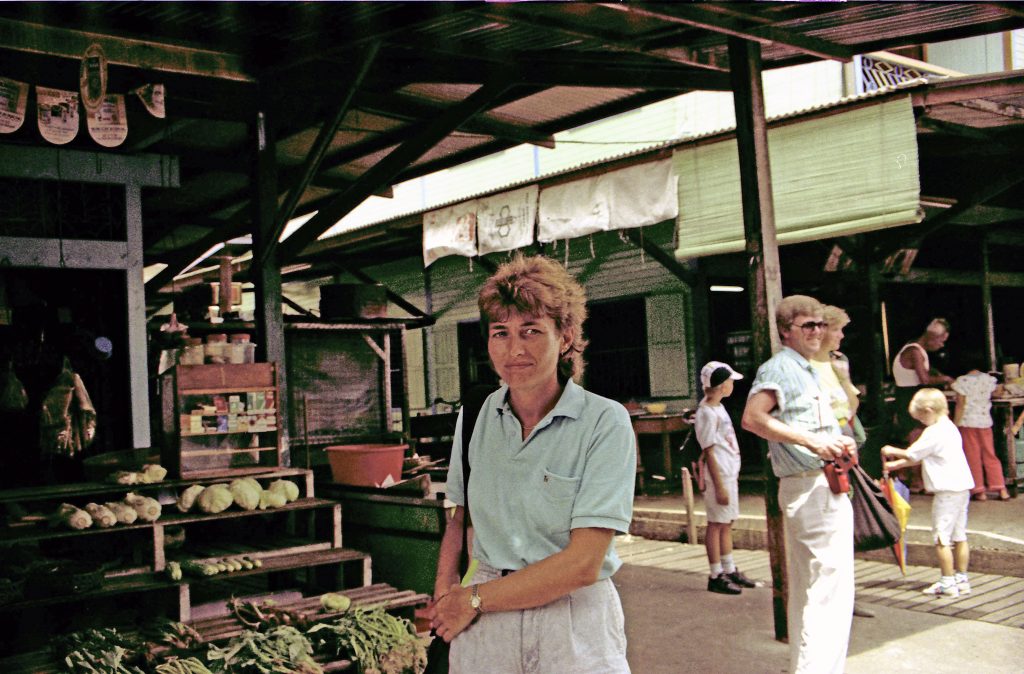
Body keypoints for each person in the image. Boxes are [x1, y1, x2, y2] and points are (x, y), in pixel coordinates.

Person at [427, 254, 635, 673]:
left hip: (572, 616)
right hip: (486, 614)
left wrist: (472, 600)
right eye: (500, 333)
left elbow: (583, 563)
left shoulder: (603, 422)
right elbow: (461, 516)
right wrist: (446, 592)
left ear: (566, 337)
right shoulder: (476, 416)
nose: (514, 350)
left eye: (531, 331)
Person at [742, 295, 857, 674]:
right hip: (811, 485)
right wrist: (813, 443)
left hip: (819, 483)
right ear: (785, 330)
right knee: (829, 590)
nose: (817, 332)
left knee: (814, 587)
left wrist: (834, 440)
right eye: (808, 325)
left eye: (821, 324)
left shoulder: (806, 369)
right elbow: (753, 418)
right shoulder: (780, 368)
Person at [811, 305, 874, 619]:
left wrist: (844, 378)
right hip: (823, 455)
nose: (841, 336)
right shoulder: (807, 366)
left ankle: (847, 595)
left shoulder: (838, 363)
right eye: (837, 329)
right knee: (827, 528)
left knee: (844, 523)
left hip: (845, 450)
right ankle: (831, 598)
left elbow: (851, 409)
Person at [882, 388, 975, 597]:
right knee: (959, 535)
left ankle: (947, 581)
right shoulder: (949, 427)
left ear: (928, 411)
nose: (921, 423)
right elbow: (922, 456)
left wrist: (890, 450)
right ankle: (962, 579)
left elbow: (912, 454)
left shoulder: (934, 431)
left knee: (941, 537)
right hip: (961, 488)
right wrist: (895, 465)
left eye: (921, 418)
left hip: (946, 491)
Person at [695, 360, 757, 595]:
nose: (732, 385)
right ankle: (715, 574)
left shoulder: (718, 408)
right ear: (721, 385)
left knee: (726, 522)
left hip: (728, 472)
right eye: (730, 381)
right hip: (718, 476)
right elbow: (709, 450)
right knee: (716, 523)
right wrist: (719, 485)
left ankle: (729, 568)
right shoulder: (706, 413)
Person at [952, 359, 1009, 501]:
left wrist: (955, 425)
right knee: (990, 454)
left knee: (973, 457)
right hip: (985, 423)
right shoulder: (988, 379)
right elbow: (997, 392)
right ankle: (1001, 488)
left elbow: (960, 405)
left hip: (967, 423)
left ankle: (979, 491)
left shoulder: (962, 381)